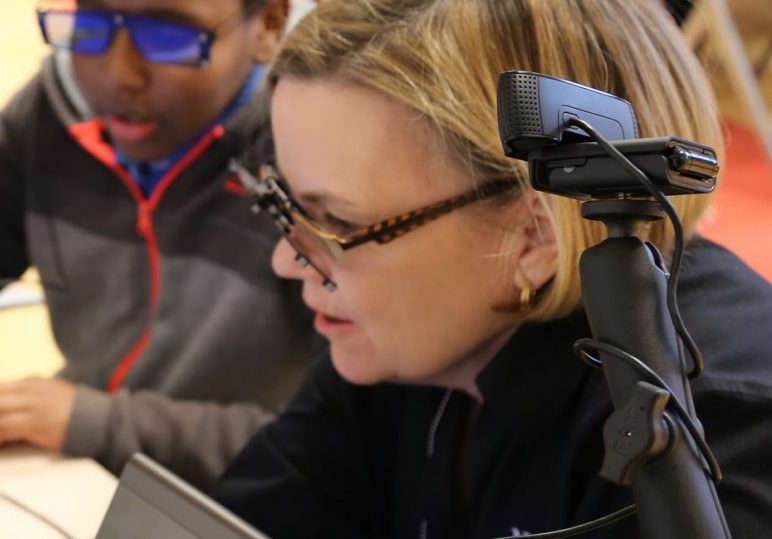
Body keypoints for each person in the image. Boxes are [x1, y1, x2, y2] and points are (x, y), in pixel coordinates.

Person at [211, 0, 772, 536]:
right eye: (282, 203)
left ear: (534, 232)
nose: (286, 259)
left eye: (335, 220)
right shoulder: (413, 346)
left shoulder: (717, 435)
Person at [0, 0, 321, 487]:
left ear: (270, 24)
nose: (120, 74)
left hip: (241, 500)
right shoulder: (58, 108)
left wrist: (101, 424)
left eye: (169, 36)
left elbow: (337, 452)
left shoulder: (321, 167)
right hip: (85, 464)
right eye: (91, 22)